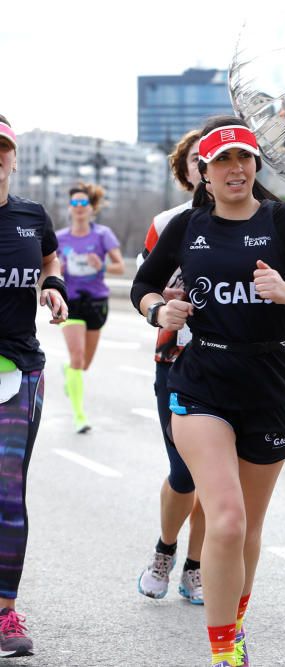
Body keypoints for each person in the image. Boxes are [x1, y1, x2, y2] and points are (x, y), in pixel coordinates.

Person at [131, 115, 285, 666]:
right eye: (223, 161)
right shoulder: (187, 227)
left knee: (248, 528)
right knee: (225, 519)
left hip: (269, 386)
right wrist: (161, 308)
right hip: (201, 385)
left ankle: (233, 623)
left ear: (256, 166)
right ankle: (224, 651)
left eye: (244, 159)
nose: (236, 169)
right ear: (203, 173)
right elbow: (141, 287)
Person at [0, 113, 69, 657]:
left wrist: (52, 285)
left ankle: (4, 612)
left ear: (14, 157)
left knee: (6, 491)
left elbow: (50, 256)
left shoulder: (30, 215)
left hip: (18, 368)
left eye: (2, 147)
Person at [135, 129, 206, 605]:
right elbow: (145, 289)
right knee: (185, 474)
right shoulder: (168, 223)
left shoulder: (259, 221)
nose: (209, 166)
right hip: (177, 359)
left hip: (239, 364)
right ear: (186, 171)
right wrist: (165, 305)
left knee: (217, 479)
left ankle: (197, 568)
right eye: (200, 160)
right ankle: (165, 549)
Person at [56, 181, 125, 433]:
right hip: (70, 302)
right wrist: (58, 271)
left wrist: (102, 266)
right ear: (69, 207)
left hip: (96, 302)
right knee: (77, 357)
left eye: (83, 202)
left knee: (83, 364)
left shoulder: (102, 235)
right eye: (74, 203)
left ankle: (69, 372)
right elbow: (47, 268)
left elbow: (120, 267)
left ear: (91, 207)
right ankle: (79, 416)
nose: (79, 207)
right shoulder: (60, 238)